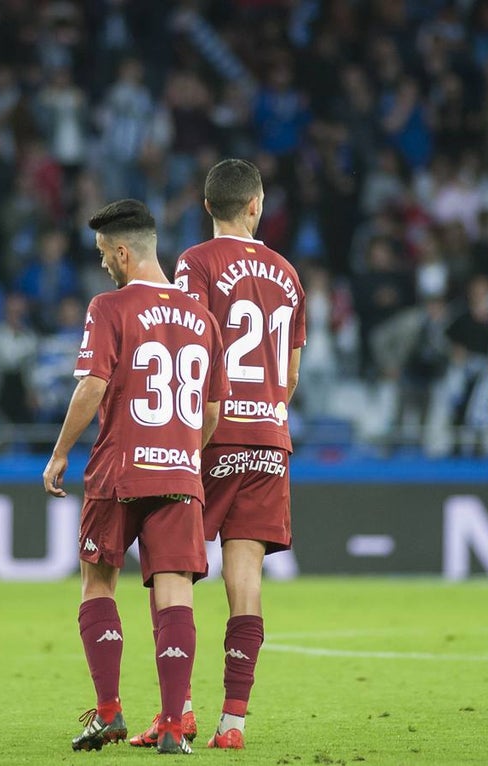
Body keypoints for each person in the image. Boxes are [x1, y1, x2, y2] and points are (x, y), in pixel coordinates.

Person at [128, 159, 306, 750]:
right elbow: (291, 375)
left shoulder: (196, 262)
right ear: (256, 205)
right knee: (246, 577)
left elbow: (189, 339)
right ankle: (233, 722)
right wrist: (264, 411)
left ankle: (176, 712)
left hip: (210, 437)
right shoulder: (288, 274)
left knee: (171, 567)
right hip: (270, 439)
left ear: (207, 206)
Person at [42, 199, 229, 754]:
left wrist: (59, 453)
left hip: (118, 470)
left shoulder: (109, 307)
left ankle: (108, 713)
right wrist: (182, 451)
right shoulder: (204, 318)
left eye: (104, 253)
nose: (103, 264)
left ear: (123, 252)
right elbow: (212, 411)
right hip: (180, 474)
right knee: (175, 594)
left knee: (98, 581)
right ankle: (173, 724)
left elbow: (93, 385)